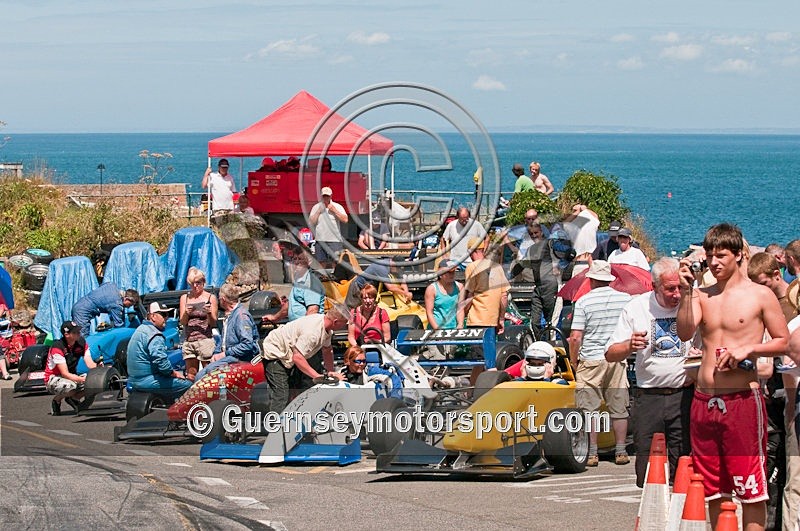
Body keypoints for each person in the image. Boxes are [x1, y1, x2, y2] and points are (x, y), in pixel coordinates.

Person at [676, 223, 790, 531]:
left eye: (721, 256)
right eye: (710, 256)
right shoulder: (701, 295)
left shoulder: (760, 295)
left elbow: (783, 341)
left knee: (751, 489)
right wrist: (687, 290)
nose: (714, 262)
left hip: (741, 400)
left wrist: (747, 349)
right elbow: (685, 331)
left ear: (738, 255)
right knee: (713, 488)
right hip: (704, 400)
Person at [605, 257, 693, 487]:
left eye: (680, 287)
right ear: (654, 287)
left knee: (683, 462)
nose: (676, 294)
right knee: (646, 464)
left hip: (683, 394)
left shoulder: (691, 303)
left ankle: (679, 515)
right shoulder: (637, 307)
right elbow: (610, 353)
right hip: (649, 396)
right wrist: (629, 346)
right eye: (670, 289)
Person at [747, 252, 799, 530]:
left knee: (788, 469)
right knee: (775, 463)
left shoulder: (789, 308)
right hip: (776, 389)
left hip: (786, 387)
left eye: (764, 283)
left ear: (777, 275)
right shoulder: (766, 303)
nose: (760, 291)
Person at [568, 260, 632, 466]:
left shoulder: (584, 302)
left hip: (591, 357)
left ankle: (592, 452)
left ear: (592, 279)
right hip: (617, 356)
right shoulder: (625, 299)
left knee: (589, 408)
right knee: (619, 406)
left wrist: (573, 359)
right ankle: (621, 450)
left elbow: (576, 336)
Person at [260, 306, 350, 413]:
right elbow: (297, 357)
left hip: (289, 355)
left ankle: (295, 423)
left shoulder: (325, 328)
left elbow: (327, 350)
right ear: (335, 322)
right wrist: (317, 376)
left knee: (298, 391)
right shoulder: (312, 333)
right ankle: (275, 427)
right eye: (344, 323)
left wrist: (330, 371)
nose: (345, 325)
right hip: (275, 352)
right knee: (282, 394)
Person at [195, 283, 261, 381]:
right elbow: (223, 340)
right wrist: (216, 353)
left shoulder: (241, 316)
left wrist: (224, 354)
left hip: (241, 358)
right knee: (200, 375)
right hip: (230, 356)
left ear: (223, 299)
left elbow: (247, 344)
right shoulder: (229, 315)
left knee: (205, 375)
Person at [126, 303, 191, 398]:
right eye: (163, 315)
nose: (167, 318)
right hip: (146, 380)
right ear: (153, 316)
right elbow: (162, 363)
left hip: (133, 379)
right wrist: (173, 373)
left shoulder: (140, 329)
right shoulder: (154, 335)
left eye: (168, 315)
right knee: (188, 385)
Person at [44, 321, 97, 415]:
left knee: (94, 381)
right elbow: (64, 373)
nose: (78, 334)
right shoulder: (57, 347)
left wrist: (99, 367)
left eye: (78, 331)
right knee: (71, 386)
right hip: (54, 377)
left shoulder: (82, 343)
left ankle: (74, 398)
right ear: (67, 334)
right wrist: (82, 379)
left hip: (72, 375)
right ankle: (57, 400)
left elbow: (90, 363)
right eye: (75, 332)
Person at [463, 237, 510, 334]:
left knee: (477, 349)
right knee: (490, 348)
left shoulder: (471, 267)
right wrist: (501, 319)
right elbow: (504, 297)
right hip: (493, 320)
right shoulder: (497, 267)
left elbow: (470, 295)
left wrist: (462, 314)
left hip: (476, 320)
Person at [178, 267, 218, 381]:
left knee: (208, 373)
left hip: (205, 339)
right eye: (192, 284)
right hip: (189, 339)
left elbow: (214, 322)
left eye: (198, 283)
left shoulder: (211, 298)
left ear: (203, 282)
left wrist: (209, 313)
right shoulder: (185, 298)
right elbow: (182, 321)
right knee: (191, 374)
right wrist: (186, 312)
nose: (195, 286)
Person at [263, 251, 324, 324]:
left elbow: (312, 311)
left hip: (306, 329)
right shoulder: (299, 279)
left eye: (300, 259)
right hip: (296, 327)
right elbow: (290, 305)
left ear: (309, 261)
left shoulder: (311, 282)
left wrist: (301, 330)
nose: (297, 262)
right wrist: (275, 318)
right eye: (295, 259)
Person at [71, 283, 140, 338]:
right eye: (130, 305)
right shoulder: (117, 303)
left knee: (77, 334)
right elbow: (118, 325)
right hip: (82, 312)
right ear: (126, 299)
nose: (128, 307)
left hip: (79, 305)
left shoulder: (111, 285)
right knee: (82, 337)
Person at [344, 257, 412, 309]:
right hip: (358, 287)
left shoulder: (393, 266)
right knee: (351, 309)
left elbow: (402, 281)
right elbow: (391, 287)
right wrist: (405, 293)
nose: (398, 270)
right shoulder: (381, 267)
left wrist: (407, 295)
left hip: (369, 288)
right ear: (393, 263)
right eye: (398, 267)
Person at [309, 186, 348, 267]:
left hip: (335, 240)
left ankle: (336, 278)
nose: (326, 198)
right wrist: (318, 212)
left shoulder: (337, 206)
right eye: (324, 196)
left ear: (331, 196)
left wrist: (334, 210)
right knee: (321, 262)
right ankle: (323, 278)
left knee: (336, 262)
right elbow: (311, 222)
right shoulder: (316, 207)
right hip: (320, 240)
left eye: (327, 196)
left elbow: (345, 220)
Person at [563, 204, 599, 277]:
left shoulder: (572, 228)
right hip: (591, 262)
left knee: (577, 287)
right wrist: (585, 209)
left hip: (579, 263)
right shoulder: (592, 224)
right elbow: (596, 216)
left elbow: (564, 223)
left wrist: (577, 211)